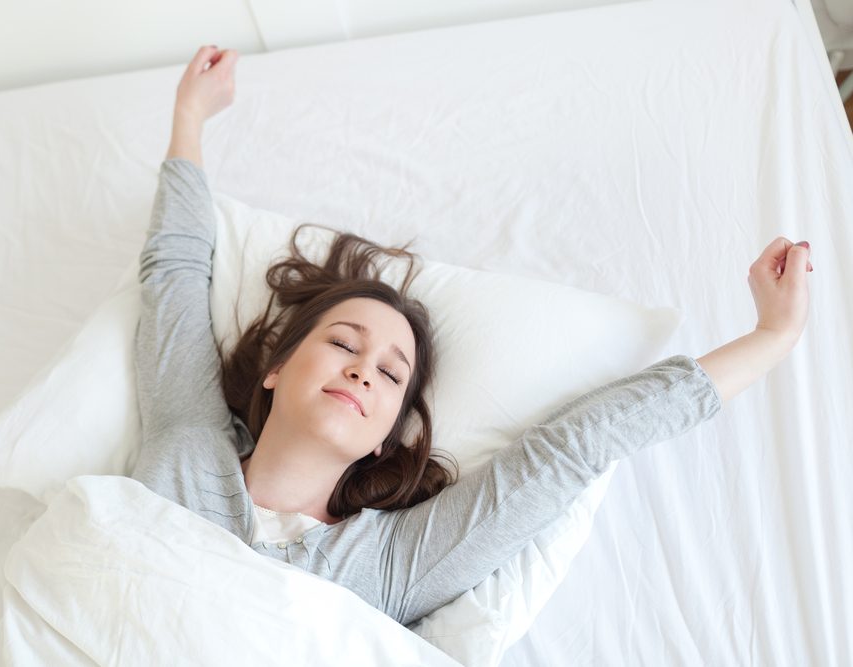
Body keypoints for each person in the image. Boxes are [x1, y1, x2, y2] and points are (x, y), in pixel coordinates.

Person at [131, 45, 814, 627]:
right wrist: (189, 118)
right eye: (343, 343)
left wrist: (772, 336)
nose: (364, 369)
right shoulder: (187, 439)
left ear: (384, 437)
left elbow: (575, 448)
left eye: (391, 374)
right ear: (276, 368)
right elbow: (175, 275)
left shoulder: (391, 563)